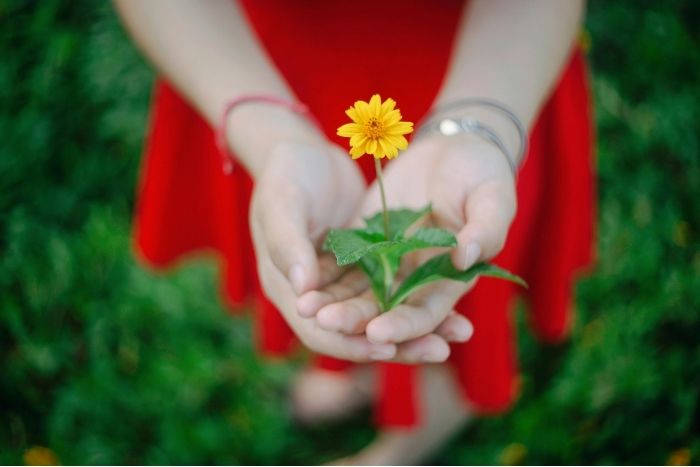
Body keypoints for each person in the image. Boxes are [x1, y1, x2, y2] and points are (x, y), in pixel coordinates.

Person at [114, 0, 595, 463]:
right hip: (259, 66)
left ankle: (417, 434)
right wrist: (274, 136)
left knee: (452, 281)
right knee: (322, 265)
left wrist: (478, 124)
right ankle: (355, 369)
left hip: (490, 65)